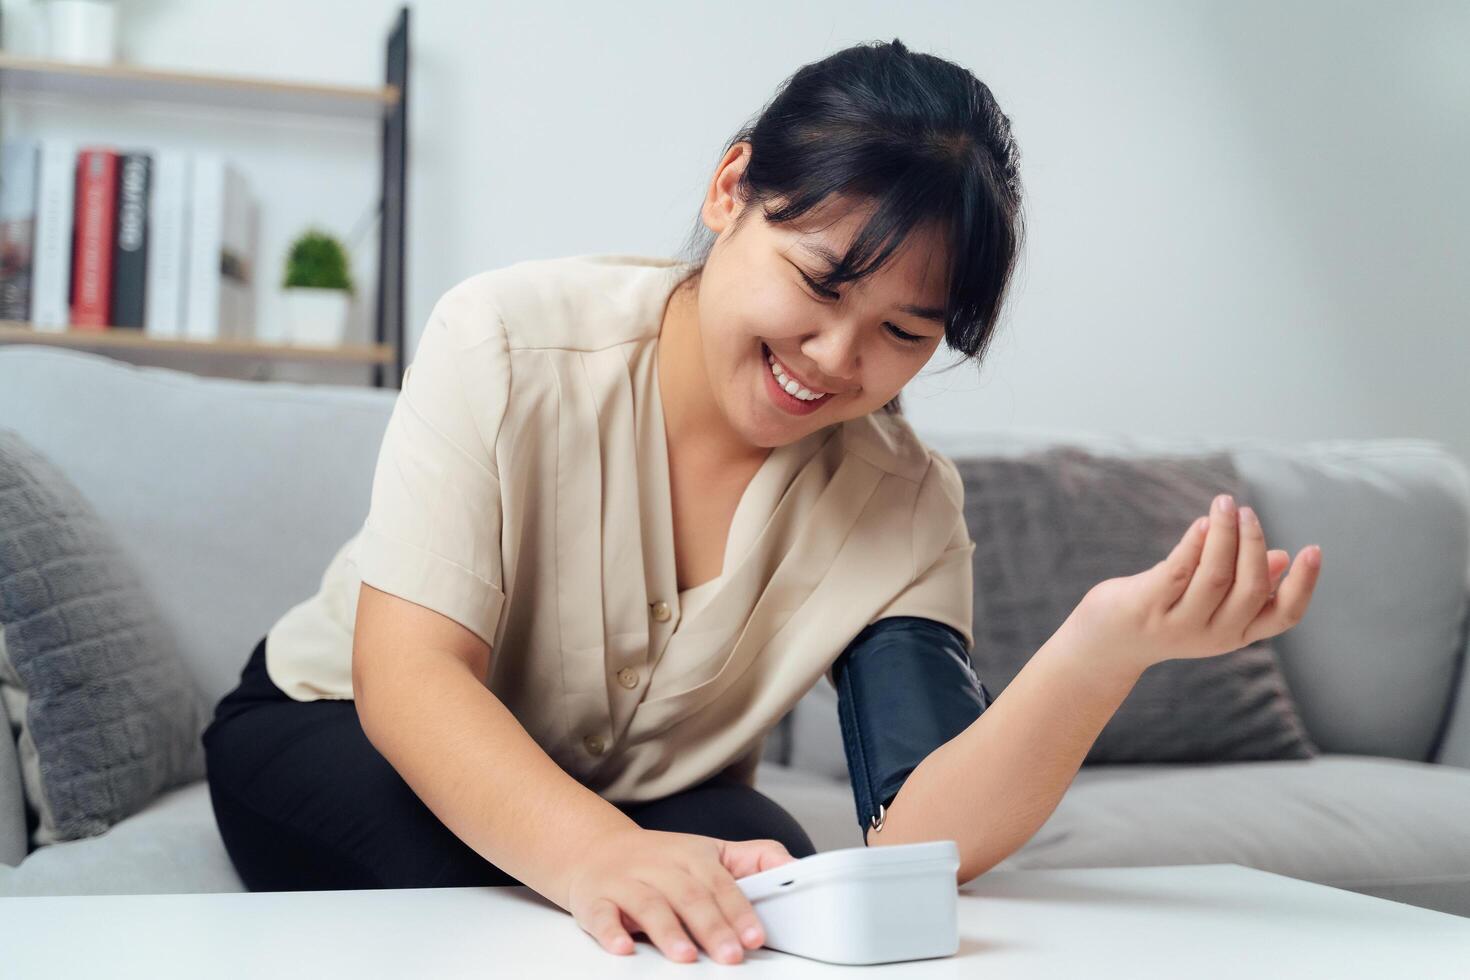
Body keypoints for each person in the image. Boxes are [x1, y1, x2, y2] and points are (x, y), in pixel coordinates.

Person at [204, 37, 1324, 967]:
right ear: (731, 188)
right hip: (336, 730)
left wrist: (1099, 650)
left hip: (640, 795)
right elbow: (407, 681)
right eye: (819, 281)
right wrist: (597, 852)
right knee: (625, 887)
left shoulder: (905, 500)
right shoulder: (503, 337)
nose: (834, 358)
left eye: (902, 333)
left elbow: (920, 834)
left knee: (781, 869)